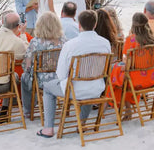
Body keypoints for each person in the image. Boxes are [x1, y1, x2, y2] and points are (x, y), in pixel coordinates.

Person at [37, 10, 110, 138]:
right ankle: (81, 124)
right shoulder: (105, 43)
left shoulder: (70, 45)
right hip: (97, 90)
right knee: (87, 84)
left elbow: (60, 74)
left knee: (48, 87)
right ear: (95, 24)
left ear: (79, 25)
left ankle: (48, 128)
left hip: (75, 91)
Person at [109, 13, 154, 119]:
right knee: (122, 75)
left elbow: (127, 64)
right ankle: (127, 109)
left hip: (136, 81)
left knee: (117, 74)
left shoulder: (131, 39)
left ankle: (125, 109)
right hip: (151, 79)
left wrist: (120, 67)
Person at [21, 12, 66, 118]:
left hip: (42, 82)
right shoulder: (64, 41)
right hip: (60, 79)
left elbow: (27, 66)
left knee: (25, 77)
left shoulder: (35, 42)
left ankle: (28, 110)